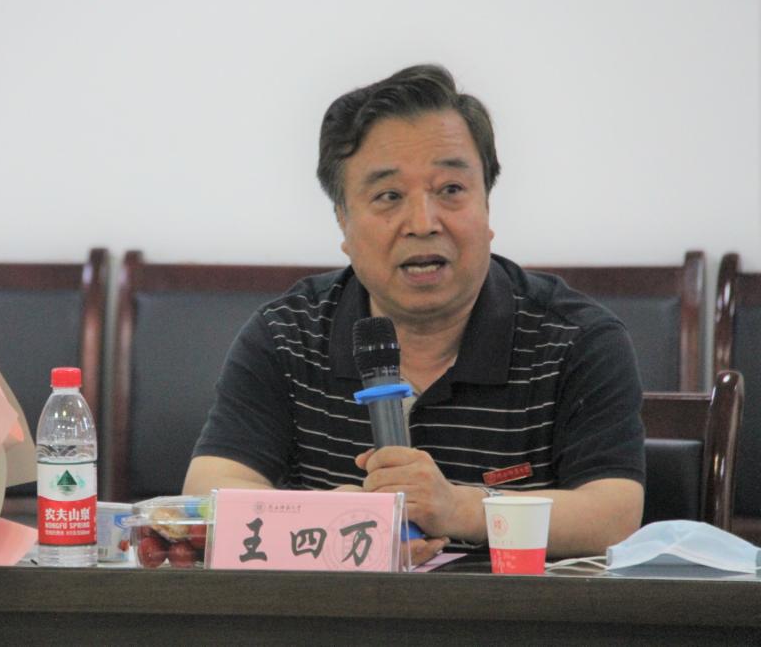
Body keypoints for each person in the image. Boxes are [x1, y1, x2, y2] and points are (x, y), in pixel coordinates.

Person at [183, 65, 645, 563]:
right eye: (389, 196)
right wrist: (329, 520)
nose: (423, 223)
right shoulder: (285, 335)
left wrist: (460, 508)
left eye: (451, 190)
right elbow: (209, 493)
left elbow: (613, 515)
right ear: (342, 221)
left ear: (487, 205)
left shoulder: (575, 339)